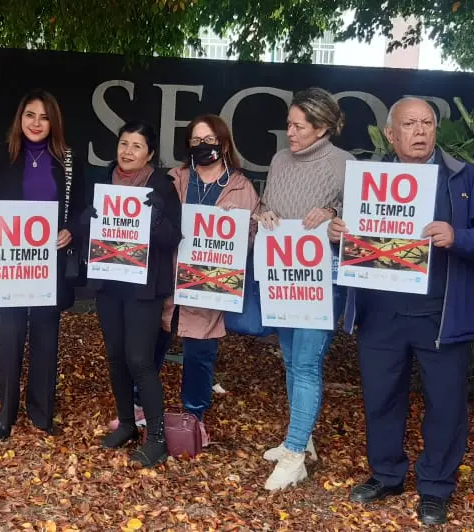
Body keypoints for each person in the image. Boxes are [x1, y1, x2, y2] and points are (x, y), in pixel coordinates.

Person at [327, 97, 474, 525]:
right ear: (390, 133)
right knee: (380, 399)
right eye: (410, 124)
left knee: (445, 405)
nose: (420, 131)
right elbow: (347, 231)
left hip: (441, 314)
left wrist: (459, 236)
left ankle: (436, 487)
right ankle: (386, 474)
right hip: (381, 313)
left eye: (427, 123)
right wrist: (336, 230)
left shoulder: (464, 177)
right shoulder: (367, 179)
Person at [252, 88, 352, 490]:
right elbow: (263, 206)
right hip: (282, 273)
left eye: (298, 126)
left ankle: (294, 454)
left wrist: (333, 214)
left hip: (321, 276)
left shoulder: (344, 164)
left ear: (322, 127)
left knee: (308, 363)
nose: (289, 132)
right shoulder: (279, 160)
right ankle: (302, 434)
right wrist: (266, 213)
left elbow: (361, 220)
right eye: (289, 124)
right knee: (291, 360)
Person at [0, 89, 83, 441]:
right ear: (19, 119)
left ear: (54, 122)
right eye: (30, 115)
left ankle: (41, 413)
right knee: (9, 337)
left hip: (48, 263)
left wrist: (69, 231)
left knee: (45, 337)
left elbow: (80, 209)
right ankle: (6, 414)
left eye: (44, 117)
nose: (36, 123)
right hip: (8, 264)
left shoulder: (66, 160)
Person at [83, 121, 182, 467]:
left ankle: (156, 438)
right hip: (109, 282)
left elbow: (173, 238)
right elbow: (83, 225)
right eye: (124, 143)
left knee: (139, 360)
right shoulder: (102, 180)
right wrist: (88, 218)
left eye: (137, 146)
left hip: (144, 287)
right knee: (115, 356)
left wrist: (155, 218)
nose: (127, 151)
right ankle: (126, 422)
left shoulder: (162, 186)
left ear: (150, 153)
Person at [160, 114, 260, 444]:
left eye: (209, 140)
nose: (203, 146)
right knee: (154, 343)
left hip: (211, 284)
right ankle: (139, 405)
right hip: (170, 280)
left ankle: (193, 417)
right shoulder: (175, 179)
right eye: (196, 141)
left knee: (200, 354)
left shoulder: (242, 187)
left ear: (224, 143)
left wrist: (240, 231)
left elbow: (251, 237)